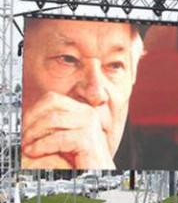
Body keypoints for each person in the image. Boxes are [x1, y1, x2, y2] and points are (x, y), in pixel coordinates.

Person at [21, 19, 146, 170]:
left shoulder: (171, 161)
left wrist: (102, 173)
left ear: (134, 75)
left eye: (115, 65)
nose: (95, 93)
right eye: (67, 59)